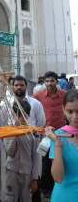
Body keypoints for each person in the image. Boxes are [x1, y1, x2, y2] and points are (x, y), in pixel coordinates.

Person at [33, 71, 66, 201]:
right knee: (45, 162)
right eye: (47, 81)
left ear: (56, 82)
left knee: (59, 160)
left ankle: (58, 185)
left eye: (52, 81)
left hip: (61, 135)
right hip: (45, 136)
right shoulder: (38, 96)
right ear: (44, 82)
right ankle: (46, 189)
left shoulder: (64, 95)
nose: (49, 83)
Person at [45, 89, 78, 202]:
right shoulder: (58, 136)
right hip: (65, 196)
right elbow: (58, 178)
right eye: (70, 111)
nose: (75, 117)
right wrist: (57, 144)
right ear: (63, 110)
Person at [5, 100, 39, 202]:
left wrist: (34, 178)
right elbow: (9, 152)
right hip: (12, 170)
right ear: (14, 114)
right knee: (10, 198)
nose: (21, 118)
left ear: (28, 115)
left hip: (27, 173)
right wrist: (15, 134)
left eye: (24, 115)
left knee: (26, 199)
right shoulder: (8, 130)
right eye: (18, 115)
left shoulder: (33, 132)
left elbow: (36, 157)